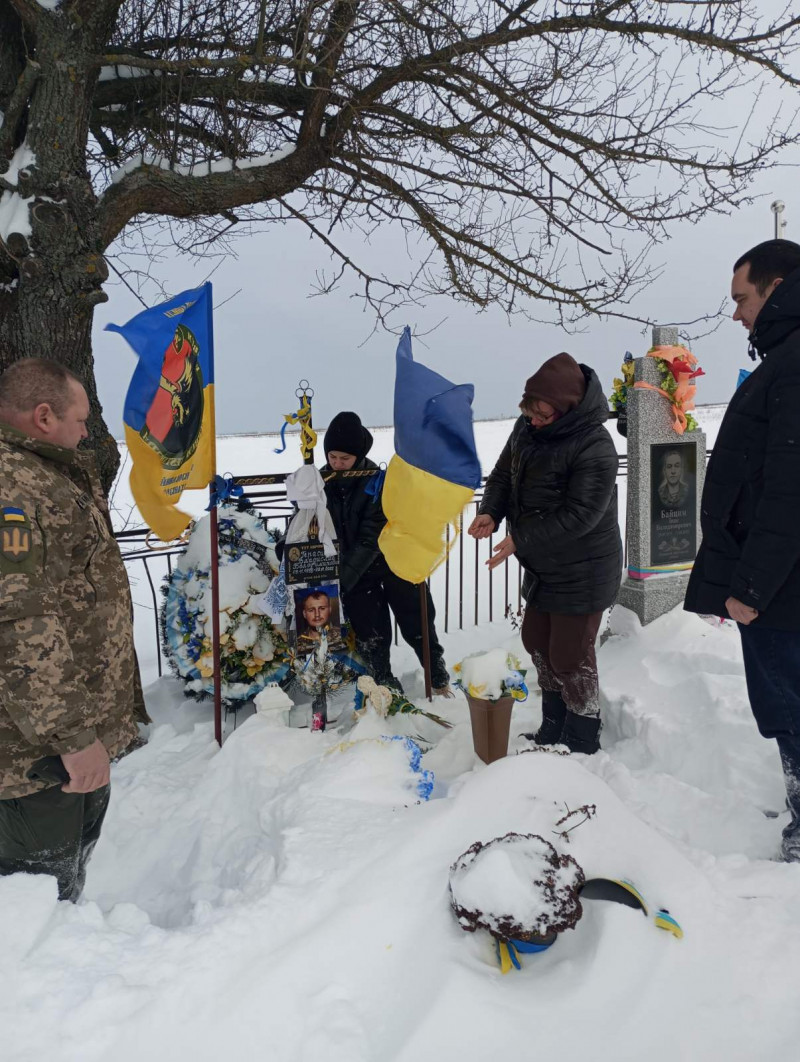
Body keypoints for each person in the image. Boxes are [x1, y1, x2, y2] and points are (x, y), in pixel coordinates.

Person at [0, 358, 145, 901]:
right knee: (30, 904)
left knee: (62, 886)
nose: (89, 431)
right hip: (30, 754)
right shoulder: (10, 485)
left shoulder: (45, 472)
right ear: (43, 416)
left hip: (66, 740)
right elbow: (17, 623)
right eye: (82, 420)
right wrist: (73, 738)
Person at [684, 238, 800, 862]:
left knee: (791, 706)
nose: (736, 315)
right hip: (781, 583)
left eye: (742, 298)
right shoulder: (783, 359)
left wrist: (750, 588)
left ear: (776, 288)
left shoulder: (793, 364)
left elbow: (788, 490)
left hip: (783, 590)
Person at [469, 353, 621, 754]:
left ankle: (582, 734)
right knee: (536, 640)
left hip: (584, 568)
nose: (532, 421)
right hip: (545, 566)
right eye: (529, 412)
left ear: (567, 408)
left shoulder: (595, 445)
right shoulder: (527, 428)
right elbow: (504, 473)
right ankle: (553, 725)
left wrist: (521, 538)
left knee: (569, 655)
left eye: (542, 415)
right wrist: (490, 511)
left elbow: (582, 514)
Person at [322, 411, 450, 693]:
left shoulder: (377, 482)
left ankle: (437, 678)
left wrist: (344, 577)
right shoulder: (319, 485)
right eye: (333, 457)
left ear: (359, 455)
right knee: (370, 634)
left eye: (345, 459)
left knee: (417, 624)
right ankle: (384, 687)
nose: (338, 464)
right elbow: (309, 523)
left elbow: (372, 535)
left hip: (394, 563)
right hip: (356, 574)